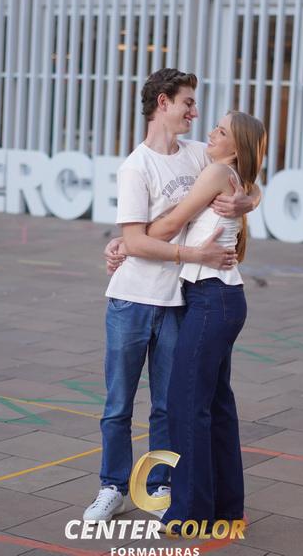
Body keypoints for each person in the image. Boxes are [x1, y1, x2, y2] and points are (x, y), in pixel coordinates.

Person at [83, 69, 260, 523]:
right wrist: (138, 243)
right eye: (188, 103)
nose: (195, 113)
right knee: (118, 405)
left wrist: (247, 201)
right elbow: (140, 239)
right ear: (163, 103)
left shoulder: (200, 154)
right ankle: (113, 487)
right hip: (132, 299)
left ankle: (160, 484)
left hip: (180, 300)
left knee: (167, 406)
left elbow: (245, 170)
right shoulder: (136, 166)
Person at [144, 110, 267, 530]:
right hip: (220, 298)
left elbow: (174, 222)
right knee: (215, 405)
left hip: (213, 298)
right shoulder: (229, 173)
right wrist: (253, 197)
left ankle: (190, 512)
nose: (211, 132)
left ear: (236, 146)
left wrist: (132, 239)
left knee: (186, 404)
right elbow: (252, 188)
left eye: (222, 130)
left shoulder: (217, 172)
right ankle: (225, 506)